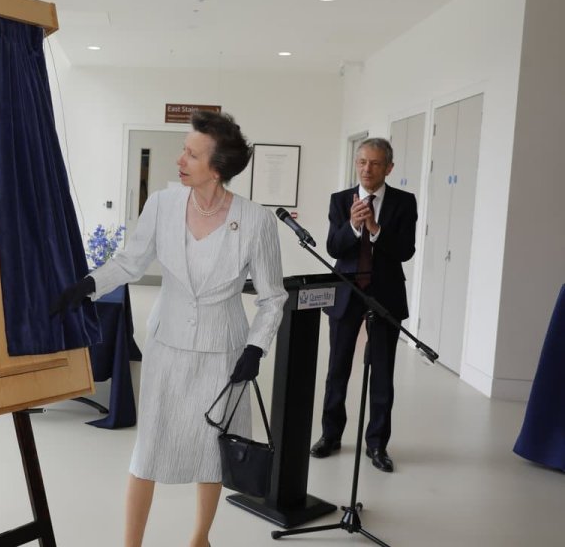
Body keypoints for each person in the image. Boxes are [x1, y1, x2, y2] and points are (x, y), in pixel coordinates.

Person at [52, 111, 287, 547]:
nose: (180, 159)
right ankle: (131, 544)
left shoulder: (256, 222)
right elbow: (130, 262)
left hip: (225, 353)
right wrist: (87, 285)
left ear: (217, 168)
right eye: (184, 149)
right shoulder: (162, 203)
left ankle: (200, 537)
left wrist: (255, 348)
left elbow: (273, 297)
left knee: (211, 450)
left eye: (192, 154)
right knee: (149, 449)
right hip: (168, 343)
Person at [310, 138, 417, 473]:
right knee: (338, 368)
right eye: (362, 162)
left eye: (374, 163)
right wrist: (354, 227)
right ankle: (330, 435)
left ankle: (377, 445)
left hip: (386, 293)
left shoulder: (403, 202)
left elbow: (405, 251)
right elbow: (333, 247)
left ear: (389, 168)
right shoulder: (341, 200)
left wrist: (375, 229)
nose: (367, 169)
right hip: (346, 292)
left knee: (382, 372)